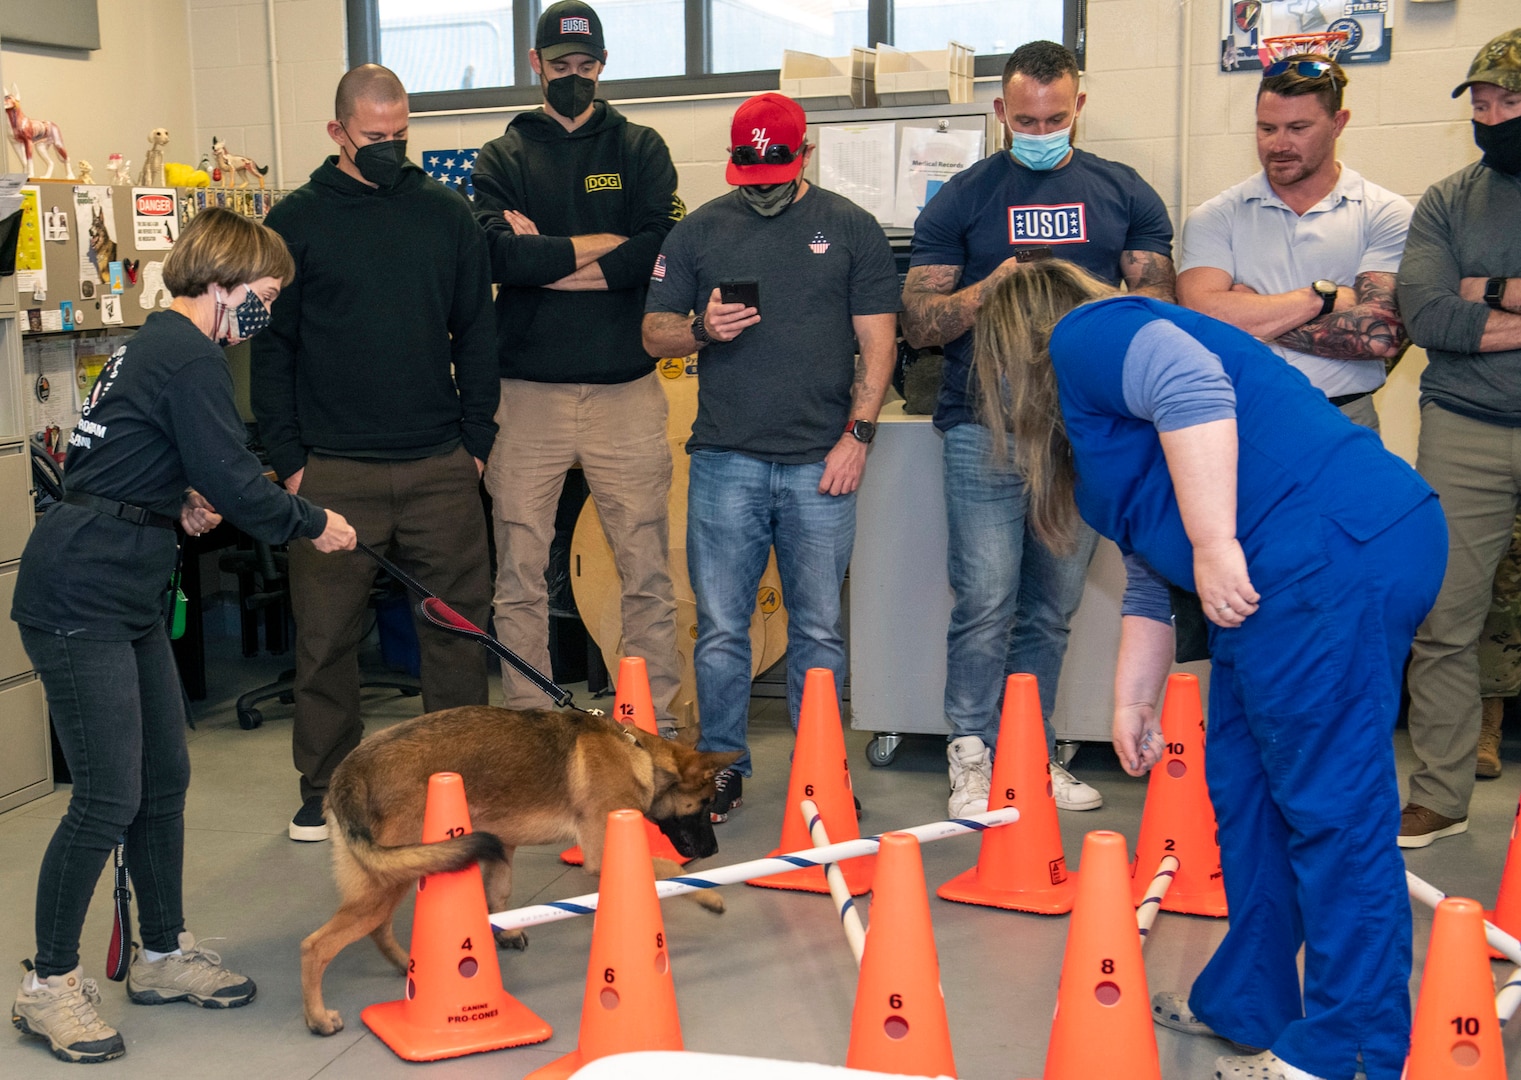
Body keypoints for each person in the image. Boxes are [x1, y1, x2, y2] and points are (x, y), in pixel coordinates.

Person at [974, 259, 1442, 1080]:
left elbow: (1191, 386)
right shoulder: (1099, 441)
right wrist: (1132, 703)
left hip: (1325, 552)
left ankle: (1347, 1049)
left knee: (1331, 806)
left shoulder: (1087, 331)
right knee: (1246, 789)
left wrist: (1216, 540)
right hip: (1284, 573)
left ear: (1012, 342)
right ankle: (1248, 1001)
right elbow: (1155, 577)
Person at [8, 208, 358, 1064]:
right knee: (105, 797)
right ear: (224, 282)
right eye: (263, 296)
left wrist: (174, 499)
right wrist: (314, 522)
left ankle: (160, 953)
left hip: (124, 586)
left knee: (163, 778)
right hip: (79, 593)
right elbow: (240, 482)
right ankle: (47, 985)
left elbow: (119, 460)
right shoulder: (187, 355)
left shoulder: (154, 347)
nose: (264, 314)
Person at [901, 39, 1176, 817]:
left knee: (1050, 607)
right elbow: (919, 321)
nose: (1040, 128)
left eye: (1055, 116)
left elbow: (1158, 312)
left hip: (1080, 436)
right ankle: (971, 754)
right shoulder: (961, 198)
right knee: (984, 599)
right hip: (982, 426)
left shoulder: (1124, 194)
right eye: (1025, 118)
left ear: (1078, 107)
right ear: (1000, 112)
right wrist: (989, 289)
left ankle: (1029, 750)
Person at [251, 64, 498, 843]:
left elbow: (478, 333)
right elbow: (272, 351)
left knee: (457, 634)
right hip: (333, 472)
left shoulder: (445, 214)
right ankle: (323, 788)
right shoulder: (295, 222)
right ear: (336, 133)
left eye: (401, 136)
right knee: (325, 640)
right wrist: (291, 461)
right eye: (374, 138)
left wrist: (477, 441)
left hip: (438, 466)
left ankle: (455, 787)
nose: (391, 149)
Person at [642, 92, 900, 821]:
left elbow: (879, 343)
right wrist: (700, 328)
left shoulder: (849, 228)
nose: (761, 188)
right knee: (723, 628)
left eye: (776, 173)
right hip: (727, 461)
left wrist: (858, 436)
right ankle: (721, 770)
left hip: (822, 461)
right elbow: (653, 332)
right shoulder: (696, 233)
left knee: (818, 627)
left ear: (804, 157)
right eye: (749, 174)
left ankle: (820, 768)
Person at [471, 0, 685, 731]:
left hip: (623, 390)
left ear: (601, 64)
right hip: (525, 393)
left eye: (585, 65)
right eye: (559, 66)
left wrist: (550, 257)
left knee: (645, 568)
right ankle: (530, 725)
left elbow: (655, 250)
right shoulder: (502, 157)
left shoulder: (639, 148)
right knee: (519, 573)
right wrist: (603, 246)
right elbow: (500, 258)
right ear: (535, 64)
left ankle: (647, 724)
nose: (573, 77)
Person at [1396, 26, 1521, 848]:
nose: (1488, 114)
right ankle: (1439, 794)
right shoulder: (1447, 199)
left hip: (1472, 388)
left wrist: (1492, 290)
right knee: (1443, 617)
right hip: (1463, 422)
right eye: (1479, 102)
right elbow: (1425, 312)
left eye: (1505, 100)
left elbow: (1463, 306)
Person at [1177, 53, 1410, 430]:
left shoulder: (1384, 212)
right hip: (1243, 416)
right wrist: (1324, 299)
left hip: (1344, 417)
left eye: (1298, 128)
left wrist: (1251, 316)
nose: (1279, 144)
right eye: (1267, 129)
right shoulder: (1216, 215)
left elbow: (1379, 336)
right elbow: (1201, 316)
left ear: (1338, 123)